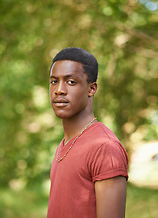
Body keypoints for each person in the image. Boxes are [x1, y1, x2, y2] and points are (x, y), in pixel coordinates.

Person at [47, 47, 128, 218]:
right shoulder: (64, 144)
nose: (59, 90)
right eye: (54, 81)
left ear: (91, 89)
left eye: (71, 82)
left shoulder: (105, 148)